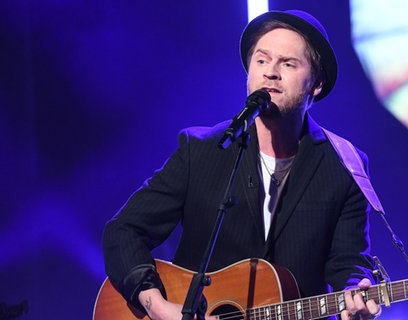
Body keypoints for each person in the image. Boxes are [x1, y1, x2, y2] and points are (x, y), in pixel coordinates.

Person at [102, 9, 382, 320]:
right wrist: (156, 305)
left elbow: (350, 263)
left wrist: (357, 292)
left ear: (316, 83)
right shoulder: (202, 150)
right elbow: (123, 231)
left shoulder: (345, 165)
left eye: (288, 64)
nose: (270, 72)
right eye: (261, 61)